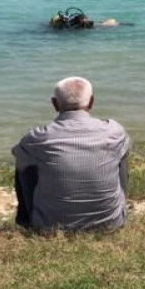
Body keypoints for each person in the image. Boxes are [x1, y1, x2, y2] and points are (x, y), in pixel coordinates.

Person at [12, 76, 131, 232]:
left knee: (24, 160)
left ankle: (27, 220)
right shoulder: (113, 132)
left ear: (54, 104)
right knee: (120, 153)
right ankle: (116, 209)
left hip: (50, 226)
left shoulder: (38, 139)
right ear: (92, 102)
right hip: (110, 224)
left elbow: (16, 153)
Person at [49, 7, 119, 29]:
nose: (87, 19)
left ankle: (111, 23)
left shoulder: (70, 24)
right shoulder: (72, 25)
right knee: (109, 23)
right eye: (85, 19)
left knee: (109, 23)